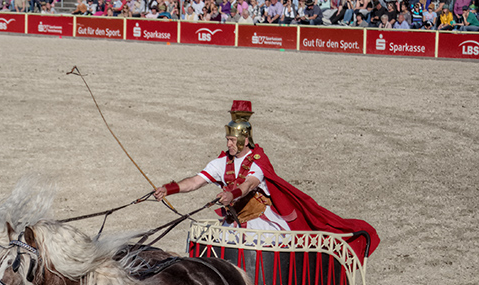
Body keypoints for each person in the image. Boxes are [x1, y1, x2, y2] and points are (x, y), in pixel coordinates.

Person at [154, 101, 380, 259]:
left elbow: (248, 185)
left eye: (232, 140)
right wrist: (169, 189)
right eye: (227, 139)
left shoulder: (257, 163)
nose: (229, 144)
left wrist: (231, 194)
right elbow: (194, 182)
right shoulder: (221, 163)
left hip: (261, 225)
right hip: (234, 222)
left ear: (244, 139)